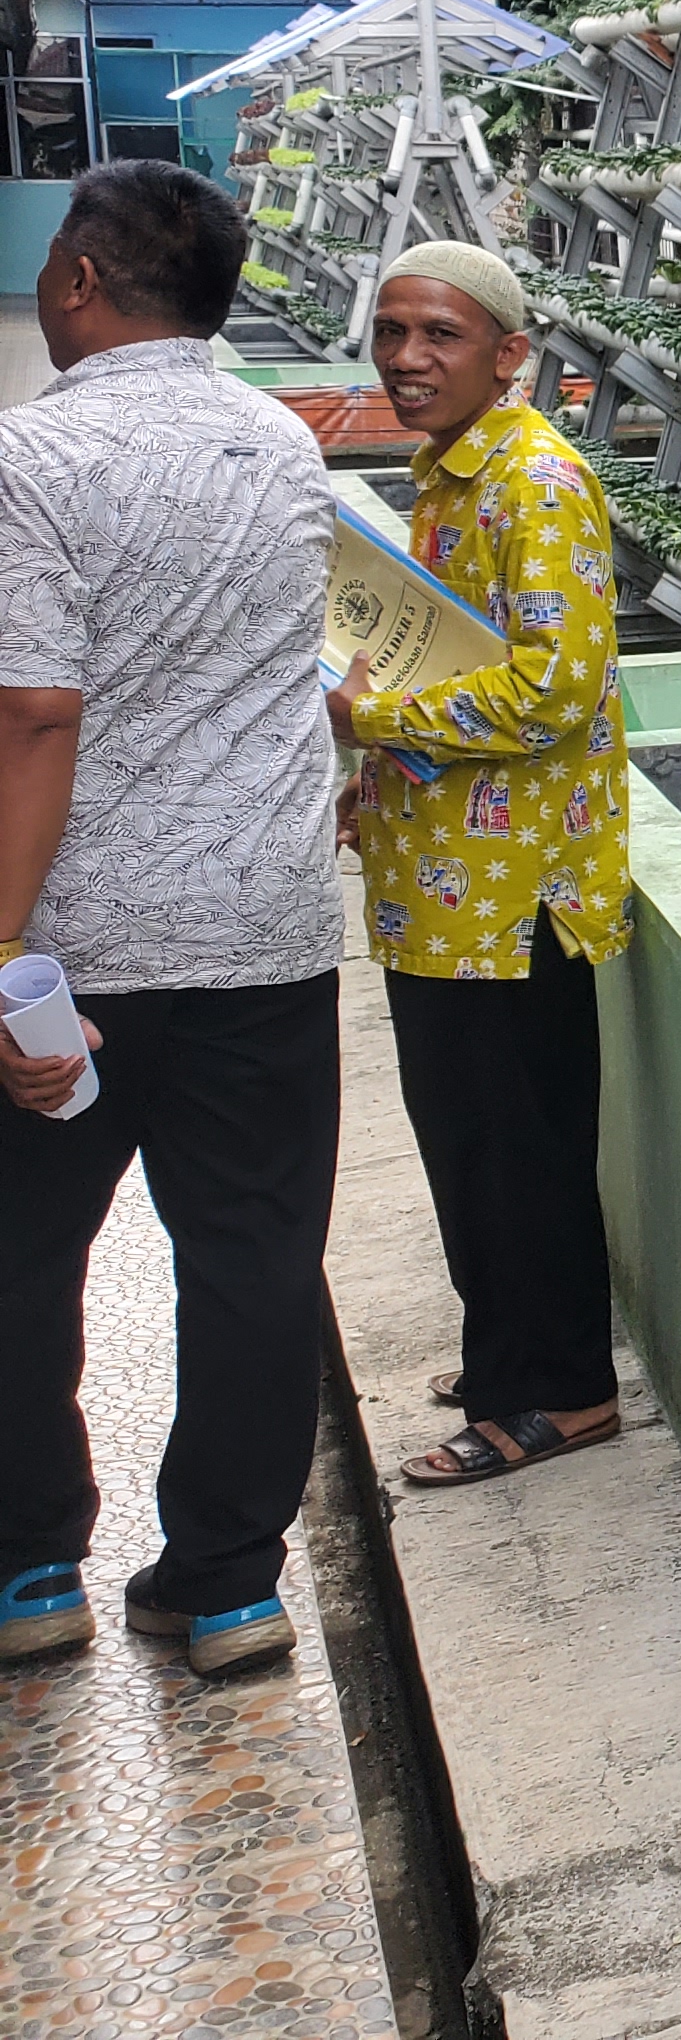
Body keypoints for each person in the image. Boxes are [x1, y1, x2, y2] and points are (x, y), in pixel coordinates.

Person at [0, 161, 345, 1680]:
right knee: (254, 1257)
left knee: (21, 1257)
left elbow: (33, 715)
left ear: (79, 280)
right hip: (265, 930)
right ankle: (226, 1588)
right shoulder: (283, 443)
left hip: (69, 946)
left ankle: (31, 1569)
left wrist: (0, 946)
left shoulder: (30, 457)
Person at [330, 241, 633, 1492]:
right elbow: (459, 659)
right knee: (471, 1143)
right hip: (445, 880)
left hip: (509, 901)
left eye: (440, 336)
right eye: (392, 332)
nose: (407, 359)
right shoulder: (454, 474)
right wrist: (375, 780)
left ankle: (557, 1392)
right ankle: (510, 1351)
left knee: (514, 1151)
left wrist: (371, 721)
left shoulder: (535, 482)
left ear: (510, 355)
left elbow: (555, 688)